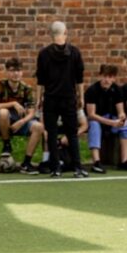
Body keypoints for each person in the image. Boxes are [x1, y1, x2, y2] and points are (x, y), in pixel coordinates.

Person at [36, 21, 86, 178]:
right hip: (69, 98)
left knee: (52, 133)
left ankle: (55, 168)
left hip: (50, 98)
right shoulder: (74, 52)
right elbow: (80, 79)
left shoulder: (44, 54)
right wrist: (81, 97)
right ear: (65, 33)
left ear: (52, 34)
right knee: (72, 133)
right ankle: (78, 167)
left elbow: (40, 81)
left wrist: (38, 99)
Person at [0, 57, 45, 173]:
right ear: (7, 72)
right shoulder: (0, 85)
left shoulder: (26, 89)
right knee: (4, 112)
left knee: (39, 127)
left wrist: (22, 121)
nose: (16, 73)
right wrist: (13, 103)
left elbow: (31, 112)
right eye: (12, 70)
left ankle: (26, 163)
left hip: (18, 122)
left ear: (22, 72)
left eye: (18, 70)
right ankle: (7, 144)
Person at [84, 64, 127, 174]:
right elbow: (91, 114)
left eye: (110, 77)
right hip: (97, 119)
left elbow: (121, 111)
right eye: (105, 76)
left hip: (111, 119)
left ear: (114, 78)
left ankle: (124, 161)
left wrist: (121, 118)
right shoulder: (92, 90)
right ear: (100, 76)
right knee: (94, 124)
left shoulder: (117, 89)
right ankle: (96, 162)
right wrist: (111, 122)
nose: (107, 80)